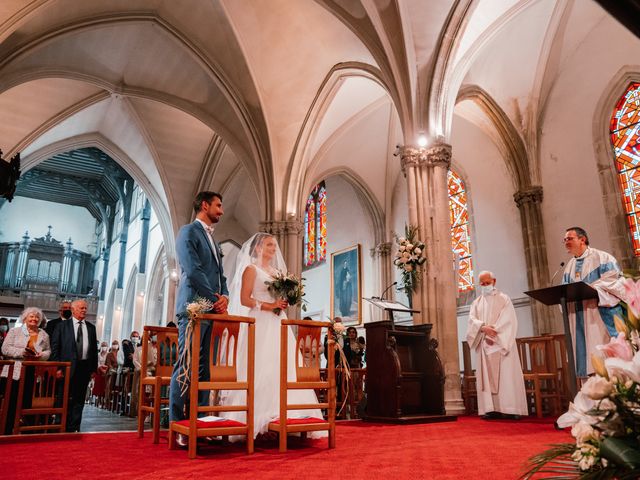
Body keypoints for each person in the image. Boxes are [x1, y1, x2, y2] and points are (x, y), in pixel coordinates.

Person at [221, 233, 325, 439]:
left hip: (278, 321)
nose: (273, 249)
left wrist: (285, 299)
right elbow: (244, 299)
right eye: (269, 245)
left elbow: (279, 297)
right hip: (259, 321)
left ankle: (286, 413)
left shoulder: (277, 273)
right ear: (258, 248)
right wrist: (269, 305)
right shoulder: (251, 269)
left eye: (274, 245)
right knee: (260, 364)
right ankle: (256, 416)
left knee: (282, 364)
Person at [169, 191, 228, 445]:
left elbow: (220, 275)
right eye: (218, 205)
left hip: (211, 309)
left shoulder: (214, 241)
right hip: (193, 307)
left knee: (204, 368)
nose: (221, 211)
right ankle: (177, 425)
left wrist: (224, 295)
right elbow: (193, 270)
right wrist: (214, 296)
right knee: (186, 365)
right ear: (204, 205)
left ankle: (200, 421)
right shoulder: (188, 232)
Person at [561, 227, 626, 376]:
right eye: (564, 240)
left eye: (569, 239)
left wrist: (592, 287)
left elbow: (616, 283)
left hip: (598, 317)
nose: (565, 242)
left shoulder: (602, 258)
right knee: (586, 363)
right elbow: (563, 292)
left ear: (582, 239)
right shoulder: (568, 267)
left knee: (603, 361)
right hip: (578, 318)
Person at [466, 271, 527, 420]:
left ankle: (510, 409)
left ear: (494, 281)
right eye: (482, 284)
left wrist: (495, 335)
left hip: (501, 345)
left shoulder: (504, 299)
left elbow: (509, 320)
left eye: (487, 283)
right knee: (487, 379)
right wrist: (483, 328)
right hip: (484, 345)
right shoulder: (477, 302)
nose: (485, 286)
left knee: (506, 376)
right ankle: (491, 409)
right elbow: (472, 320)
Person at [1, 307, 51, 434]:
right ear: (25, 318)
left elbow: (48, 351)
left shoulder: (44, 334)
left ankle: (25, 431)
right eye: (31, 316)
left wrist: (41, 355)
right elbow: (5, 349)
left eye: (37, 317)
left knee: (27, 402)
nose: (34, 319)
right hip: (14, 372)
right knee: (11, 402)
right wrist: (22, 353)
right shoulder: (14, 331)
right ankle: (7, 429)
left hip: (33, 372)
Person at [50, 299, 98, 432]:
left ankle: (74, 426)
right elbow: (55, 348)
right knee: (64, 396)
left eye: (85, 308)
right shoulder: (62, 326)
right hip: (66, 368)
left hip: (84, 367)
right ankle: (60, 425)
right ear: (73, 309)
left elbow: (93, 350)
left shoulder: (91, 327)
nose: (84, 310)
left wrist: (93, 369)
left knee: (79, 398)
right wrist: (58, 367)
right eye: (81, 308)